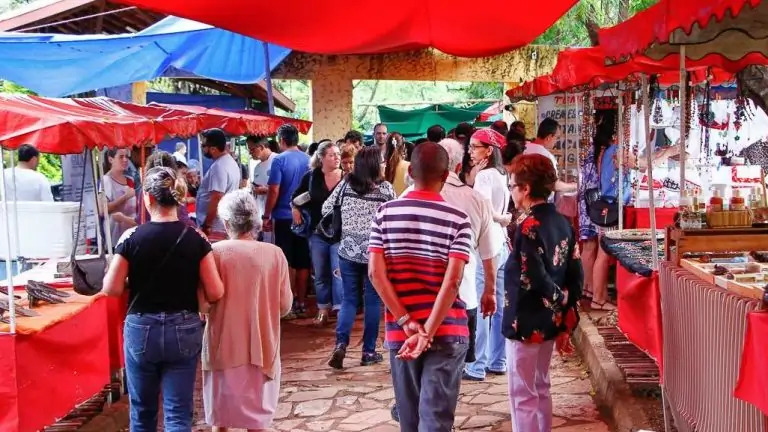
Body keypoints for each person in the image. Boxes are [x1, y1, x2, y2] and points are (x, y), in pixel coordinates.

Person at [102, 166, 224, 432]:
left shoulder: (131, 237)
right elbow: (215, 291)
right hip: (184, 327)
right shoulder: (196, 238)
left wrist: (131, 281)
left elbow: (110, 288)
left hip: (141, 327)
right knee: (178, 414)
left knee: (143, 413)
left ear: (149, 198)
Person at [368, 142, 472, 431]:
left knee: (409, 421)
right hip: (448, 330)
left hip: (401, 333)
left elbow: (376, 274)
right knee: (436, 421)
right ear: (447, 174)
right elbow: (452, 283)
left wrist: (407, 322)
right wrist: (427, 332)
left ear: (410, 171)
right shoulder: (458, 220)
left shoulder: (384, 215)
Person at [502, 154, 582, 432]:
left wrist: (557, 297)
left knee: (523, 393)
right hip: (549, 319)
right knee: (541, 385)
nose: (511, 190)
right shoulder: (563, 222)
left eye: (513, 185)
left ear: (525, 189)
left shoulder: (528, 226)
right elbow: (576, 273)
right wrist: (563, 306)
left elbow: (533, 275)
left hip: (525, 319)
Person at [202, 190, 293, 432]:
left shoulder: (214, 253)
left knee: (220, 420)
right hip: (262, 349)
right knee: (258, 421)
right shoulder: (275, 254)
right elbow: (285, 306)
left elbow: (203, 305)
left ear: (227, 222)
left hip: (223, 347)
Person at [324, 146, 394, 369]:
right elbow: (393, 218)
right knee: (373, 300)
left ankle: (340, 344)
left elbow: (327, 207)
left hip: (347, 251)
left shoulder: (345, 183)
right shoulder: (385, 189)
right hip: (375, 254)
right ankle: (369, 351)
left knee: (349, 299)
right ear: (374, 164)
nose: (384, 164)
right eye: (381, 161)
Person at [463, 128, 512, 382]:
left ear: (488, 150)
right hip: (501, 243)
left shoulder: (484, 176)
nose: (470, 151)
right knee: (499, 304)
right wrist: (503, 219)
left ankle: (477, 364)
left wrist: (500, 218)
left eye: (475, 146)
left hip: (487, 245)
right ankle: (498, 359)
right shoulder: (502, 174)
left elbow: (481, 210)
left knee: (485, 303)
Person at [291, 141, 343, 326]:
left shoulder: (346, 177)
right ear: (321, 158)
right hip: (317, 231)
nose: (336, 157)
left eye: (337, 154)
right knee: (320, 273)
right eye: (331, 155)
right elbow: (296, 197)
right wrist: (295, 209)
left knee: (338, 272)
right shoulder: (311, 177)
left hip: (340, 232)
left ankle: (339, 309)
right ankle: (323, 308)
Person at [265, 124, 312, 318]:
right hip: (306, 217)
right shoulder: (309, 159)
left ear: (281, 140)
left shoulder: (279, 160)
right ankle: (301, 302)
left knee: (287, 261)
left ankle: (289, 303)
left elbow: (274, 190)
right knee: (303, 261)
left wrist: (266, 214)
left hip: (284, 217)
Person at [197, 129, 241, 237]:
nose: (202, 149)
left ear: (213, 149)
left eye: (204, 146)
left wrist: (207, 224)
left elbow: (217, 197)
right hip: (222, 222)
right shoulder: (229, 162)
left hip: (216, 226)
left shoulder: (219, 167)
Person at [523, 118, 577, 194]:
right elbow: (554, 185)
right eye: (556, 137)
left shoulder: (524, 147)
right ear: (549, 137)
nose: (556, 141)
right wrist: (574, 185)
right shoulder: (546, 156)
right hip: (540, 200)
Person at [145, 151, 196, 228]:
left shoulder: (145, 190)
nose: (185, 177)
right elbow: (183, 217)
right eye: (183, 173)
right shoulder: (175, 186)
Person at [102, 149, 138, 247]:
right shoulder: (106, 180)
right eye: (121, 157)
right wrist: (125, 197)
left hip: (131, 233)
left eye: (127, 156)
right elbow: (102, 209)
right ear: (110, 159)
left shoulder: (130, 180)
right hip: (115, 236)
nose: (125, 160)